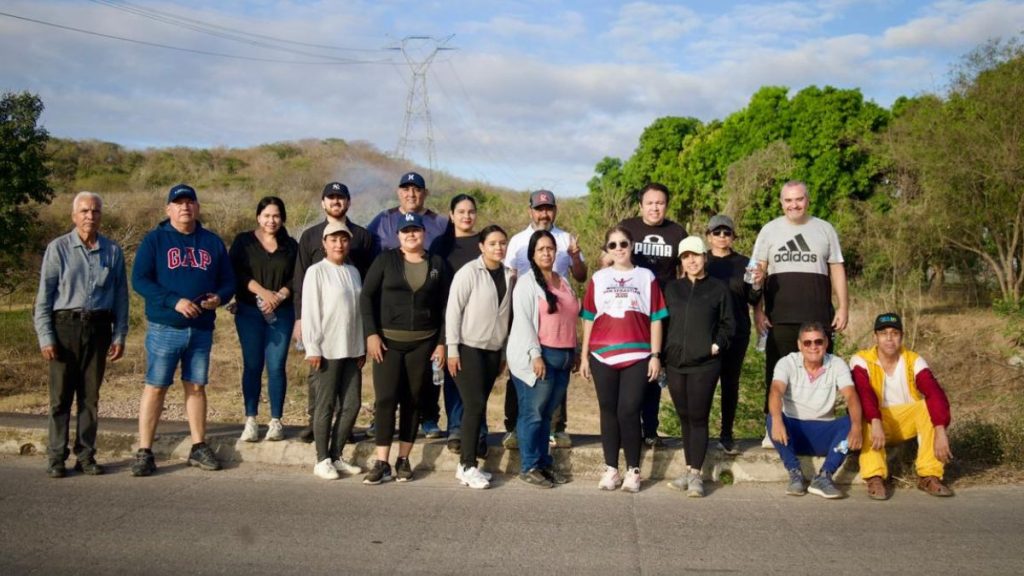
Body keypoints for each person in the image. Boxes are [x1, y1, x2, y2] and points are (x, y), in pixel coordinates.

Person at [130, 184, 235, 476]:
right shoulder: (155, 240)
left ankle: (199, 446)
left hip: (201, 329)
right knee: (156, 386)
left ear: (197, 207)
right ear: (168, 209)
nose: (185, 207)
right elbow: (139, 279)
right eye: (178, 203)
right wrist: (173, 301)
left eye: (190, 202)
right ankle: (145, 451)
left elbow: (228, 281)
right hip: (166, 326)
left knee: (196, 386)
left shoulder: (212, 242)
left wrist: (219, 298)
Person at [33, 192, 128, 478]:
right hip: (65, 328)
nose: (90, 216)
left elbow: (121, 297)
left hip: (99, 329)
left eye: (95, 211)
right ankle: (56, 456)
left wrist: (120, 334)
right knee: (60, 397)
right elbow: (44, 297)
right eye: (84, 211)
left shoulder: (113, 251)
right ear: (74, 216)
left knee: (90, 398)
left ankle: (86, 455)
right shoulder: (58, 248)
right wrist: (46, 337)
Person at [754, 180, 848, 448]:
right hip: (779, 317)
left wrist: (844, 307)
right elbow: (757, 273)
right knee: (776, 374)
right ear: (781, 202)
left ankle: (820, 427)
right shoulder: (769, 230)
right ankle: (772, 427)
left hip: (818, 317)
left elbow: (837, 270)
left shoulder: (825, 229)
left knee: (822, 374)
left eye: (799, 199)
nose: (794, 205)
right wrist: (758, 311)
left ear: (808, 199)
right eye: (788, 200)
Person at [360, 212, 449, 484]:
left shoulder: (437, 263)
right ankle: (381, 461)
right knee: (386, 399)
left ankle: (403, 459)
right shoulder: (385, 260)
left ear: (424, 233)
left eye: (416, 230)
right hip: (387, 343)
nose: (411, 235)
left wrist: (443, 343)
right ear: (398, 235)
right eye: (405, 231)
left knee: (413, 399)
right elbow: (366, 297)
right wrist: (371, 334)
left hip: (423, 343)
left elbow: (447, 306)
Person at [580, 226, 666, 493]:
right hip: (601, 354)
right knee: (608, 411)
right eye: (613, 245)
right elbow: (588, 318)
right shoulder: (599, 277)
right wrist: (583, 356)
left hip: (638, 354)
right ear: (607, 249)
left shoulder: (646, 277)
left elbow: (656, 318)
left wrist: (655, 355)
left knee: (629, 410)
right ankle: (611, 469)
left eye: (624, 244)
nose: (619, 249)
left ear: (632, 246)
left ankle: (633, 470)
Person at [367, 171, 449, 438]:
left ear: (425, 193)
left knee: (426, 371)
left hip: (428, 303)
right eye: (406, 189)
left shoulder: (439, 223)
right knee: (389, 373)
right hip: (390, 308)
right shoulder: (383, 220)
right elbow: (363, 251)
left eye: (417, 189)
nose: (411, 194)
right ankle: (383, 420)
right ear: (398, 191)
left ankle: (428, 418)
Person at [503, 190, 586, 450]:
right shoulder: (517, 241)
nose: (544, 214)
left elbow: (581, 276)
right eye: (539, 209)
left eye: (548, 208)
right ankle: (515, 428)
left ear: (555, 210)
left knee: (556, 374)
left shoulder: (565, 239)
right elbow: (509, 278)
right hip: (526, 311)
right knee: (520, 370)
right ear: (530, 211)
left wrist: (574, 257)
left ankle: (556, 428)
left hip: (556, 318)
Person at [293, 182, 373, 443]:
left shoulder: (361, 236)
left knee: (349, 386)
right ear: (323, 202)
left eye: (341, 198)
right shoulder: (309, 236)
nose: (336, 202)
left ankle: (342, 430)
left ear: (349, 202)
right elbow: (300, 279)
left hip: (350, 325)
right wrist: (299, 320)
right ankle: (316, 427)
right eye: (331, 197)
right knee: (320, 380)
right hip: (321, 324)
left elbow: (368, 285)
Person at [851, 313, 954, 499]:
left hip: (905, 420)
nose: (889, 338)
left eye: (894, 333)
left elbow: (934, 392)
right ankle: (874, 476)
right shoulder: (861, 359)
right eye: (883, 333)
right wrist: (875, 421)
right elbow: (863, 392)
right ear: (875, 337)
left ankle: (929, 475)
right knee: (864, 412)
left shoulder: (913, 360)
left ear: (901, 336)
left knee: (926, 406)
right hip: (877, 419)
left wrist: (940, 429)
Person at [662, 236, 735, 497]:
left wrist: (716, 345)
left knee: (698, 416)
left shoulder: (718, 288)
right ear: (681, 261)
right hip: (675, 363)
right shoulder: (672, 288)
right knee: (684, 417)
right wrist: (661, 356)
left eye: (696, 255)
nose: (691, 260)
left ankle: (696, 475)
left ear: (705, 256)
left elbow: (729, 324)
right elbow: (663, 324)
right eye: (685, 257)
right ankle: (689, 469)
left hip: (705, 364)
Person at [507, 230, 580, 488]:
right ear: (532, 254)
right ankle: (529, 465)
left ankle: (543, 463)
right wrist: (535, 355)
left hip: (563, 355)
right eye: (541, 249)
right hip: (540, 355)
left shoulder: (563, 280)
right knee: (533, 413)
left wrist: (575, 349)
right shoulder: (527, 283)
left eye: (550, 248)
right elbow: (524, 322)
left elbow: (571, 317)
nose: (547, 253)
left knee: (547, 415)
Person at [618, 182, 687, 448]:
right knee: (632, 371)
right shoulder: (628, 227)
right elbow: (609, 257)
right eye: (650, 203)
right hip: (632, 310)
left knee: (654, 371)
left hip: (663, 311)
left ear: (666, 205)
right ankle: (629, 428)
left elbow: (685, 271)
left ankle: (651, 429)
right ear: (641, 205)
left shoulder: (676, 232)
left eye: (660, 203)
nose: (655, 207)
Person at [445, 225, 514, 489]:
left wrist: (504, 352)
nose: (499, 247)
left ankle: (466, 466)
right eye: (493, 243)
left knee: (479, 406)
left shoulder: (509, 275)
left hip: (493, 351)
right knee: (473, 406)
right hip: (468, 348)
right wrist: (452, 349)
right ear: (481, 246)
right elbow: (453, 312)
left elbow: (506, 317)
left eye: (502, 243)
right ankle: (467, 465)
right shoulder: (469, 272)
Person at [229, 196, 298, 443]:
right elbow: (236, 272)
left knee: (277, 365)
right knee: (252, 365)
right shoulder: (243, 242)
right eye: (267, 215)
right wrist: (263, 293)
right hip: (249, 312)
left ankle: (276, 421)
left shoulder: (291, 245)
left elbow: (297, 278)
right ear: (258, 217)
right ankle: (250, 420)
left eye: (276, 216)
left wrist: (279, 296)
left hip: (282, 313)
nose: (272, 220)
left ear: (283, 218)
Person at [767, 322, 863, 499]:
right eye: (807, 343)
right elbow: (775, 391)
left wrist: (857, 427)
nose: (813, 347)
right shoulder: (787, 362)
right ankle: (795, 473)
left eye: (818, 342)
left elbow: (851, 396)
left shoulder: (836, 364)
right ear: (799, 345)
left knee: (851, 422)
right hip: (792, 434)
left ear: (826, 343)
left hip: (823, 432)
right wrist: (778, 420)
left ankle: (824, 476)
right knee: (773, 417)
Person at [302, 222, 365, 480]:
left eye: (343, 240)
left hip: (351, 349)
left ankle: (337, 455)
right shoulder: (316, 272)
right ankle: (321, 459)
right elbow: (310, 312)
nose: (339, 244)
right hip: (326, 349)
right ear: (324, 243)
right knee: (325, 405)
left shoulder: (353, 272)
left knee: (352, 404)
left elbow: (359, 314)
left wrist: (361, 346)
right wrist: (312, 346)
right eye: (333, 240)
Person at [433, 194, 489, 454]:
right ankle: (456, 427)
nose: (467, 216)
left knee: (479, 380)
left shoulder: (483, 243)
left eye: (471, 211)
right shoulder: (440, 245)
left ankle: (479, 430)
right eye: (461, 211)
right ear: (451, 214)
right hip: (449, 319)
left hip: (480, 322)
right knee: (454, 376)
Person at [705, 214, 762, 454]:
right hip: (706, 331)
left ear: (733, 236)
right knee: (703, 384)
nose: (721, 237)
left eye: (726, 233)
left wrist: (758, 283)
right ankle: (699, 434)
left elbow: (753, 298)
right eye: (716, 232)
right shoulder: (700, 261)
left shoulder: (745, 263)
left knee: (730, 383)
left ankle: (726, 434)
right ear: (708, 236)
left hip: (737, 330)